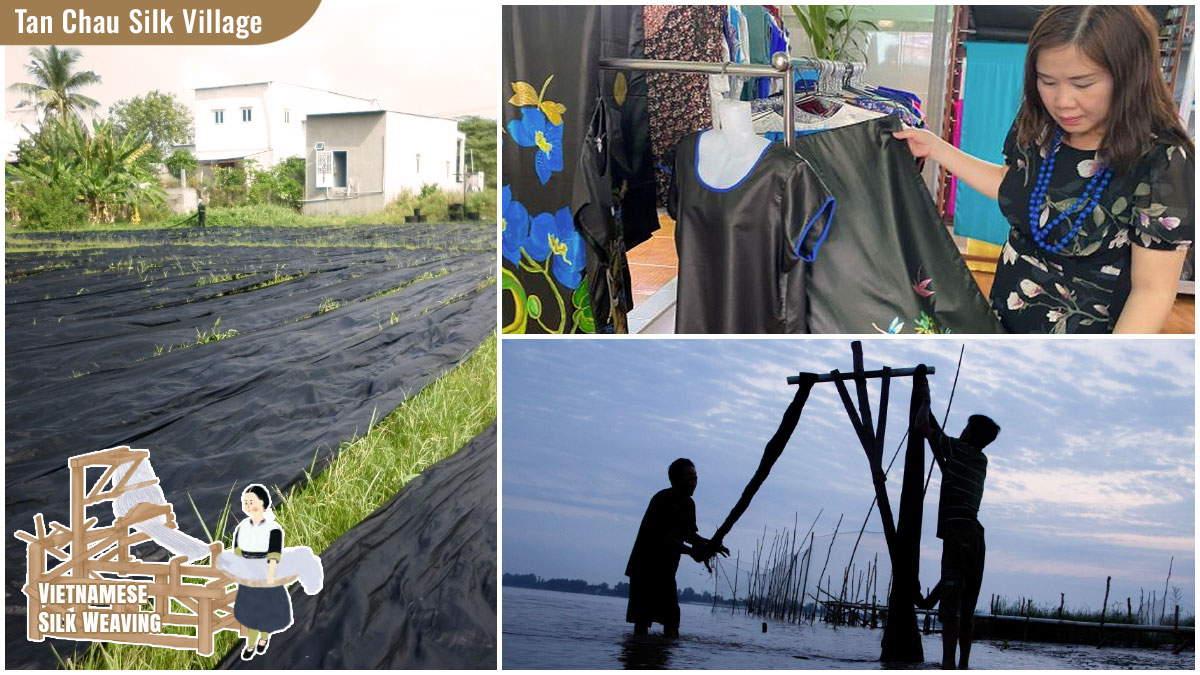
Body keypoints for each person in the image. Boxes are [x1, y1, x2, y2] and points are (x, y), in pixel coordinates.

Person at [894, 6, 1193, 334]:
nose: (1063, 101)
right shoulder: (1040, 122)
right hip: (1005, 316)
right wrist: (936, 148)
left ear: (1129, 76)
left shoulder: (1163, 160)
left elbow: (1152, 291)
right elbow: (1016, 186)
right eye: (1047, 81)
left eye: (1083, 84)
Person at [913, 379, 1000, 670]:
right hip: (976, 537)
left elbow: (923, 429)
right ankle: (962, 665)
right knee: (966, 605)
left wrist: (924, 401)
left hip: (958, 533)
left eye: (965, 428)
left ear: (969, 433)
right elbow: (940, 445)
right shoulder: (979, 460)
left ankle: (948, 666)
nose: (961, 431)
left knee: (950, 608)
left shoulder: (957, 450)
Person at [624, 458, 728, 637]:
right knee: (642, 621)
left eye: (695, 478)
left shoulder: (688, 504)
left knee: (671, 621)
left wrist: (710, 544)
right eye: (688, 479)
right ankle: (638, 658)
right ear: (675, 480)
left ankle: (662, 654)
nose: (693, 483)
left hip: (666, 571)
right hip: (644, 569)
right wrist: (693, 552)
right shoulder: (661, 500)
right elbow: (664, 538)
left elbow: (689, 535)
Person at [230, 484, 291, 660]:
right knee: (250, 611)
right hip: (249, 572)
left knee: (265, 609)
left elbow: (273, 554)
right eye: (245, 502)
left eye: (251, 502)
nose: (248, 506)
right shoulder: (242, 528)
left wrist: (270, 576)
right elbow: (238, 550)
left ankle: (263, 638)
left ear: (263, 502)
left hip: (265, 571)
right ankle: (250, 644)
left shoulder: (272, 529)